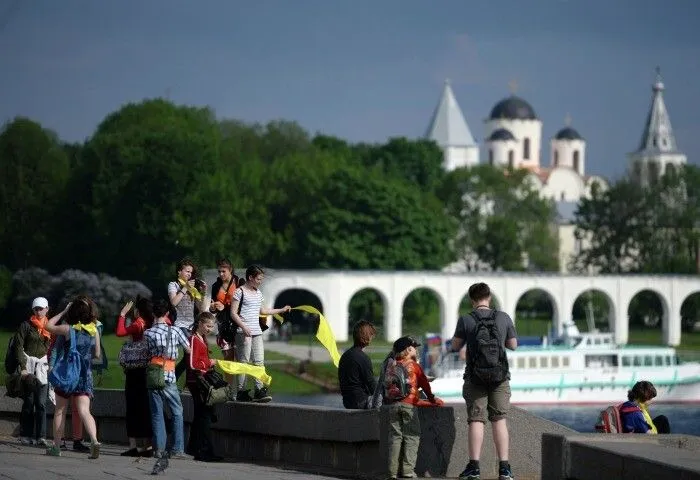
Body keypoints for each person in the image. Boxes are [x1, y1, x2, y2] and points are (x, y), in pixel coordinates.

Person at [450, 282, 517, 480]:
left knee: (476, 420)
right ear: (489, 297)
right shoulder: (503, 317)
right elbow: (513, 345)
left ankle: (474, 467)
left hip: (475, 377)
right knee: (499, 419)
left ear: (472, 300)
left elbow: (455, 346)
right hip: (500, 377)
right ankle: (504, 468)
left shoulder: (466, 319)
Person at [45, 296, 102, 459]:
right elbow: (97, 354)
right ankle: (95, 440)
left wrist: (63, 311)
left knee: (60, 411)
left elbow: (48, 326)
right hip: (85, 374)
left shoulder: (68, 329)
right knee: (84, 410)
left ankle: (57, 447)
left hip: (68, 374)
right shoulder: (94, 330)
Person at [380, 335, 443, 480]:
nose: (416, 350)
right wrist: (432, 399)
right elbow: (425, 385)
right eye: (414, 347)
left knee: (395, 438)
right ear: (408, 349)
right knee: (411, 437)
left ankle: (392, 472)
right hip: (409, 406)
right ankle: (407, 471)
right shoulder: (414, 366)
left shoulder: (392, 365)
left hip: (393, 405)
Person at [230, 265, 291, 403]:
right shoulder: (239, 292)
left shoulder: (258, 293)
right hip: (243, 332)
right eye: (258, 279)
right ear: (250, 277)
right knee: (244, 362)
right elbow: (233, 313)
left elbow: (263, 311)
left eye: (261, 279)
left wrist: (281, 309)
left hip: (256, 332)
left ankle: (259, 390)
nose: (260, 281)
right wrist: (244, 327)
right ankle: (241, 391)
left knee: (259, 361)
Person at [145, 298, 191, 475]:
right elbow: (188, 350)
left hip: (153, 374)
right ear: (166, 314)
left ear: (153, 314)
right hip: (170, 374)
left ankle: (159, 449)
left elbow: (147, 353)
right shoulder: (176, 330)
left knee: (157, 413)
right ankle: (177, 449)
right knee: (177, 412)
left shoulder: (148, 333)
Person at [115, 296, 154, 457]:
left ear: (138, 310)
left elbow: (120, 332)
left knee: (132, 408)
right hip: (147, 369)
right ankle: (148, 446)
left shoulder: (138, 324)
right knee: (146, 408)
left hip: (134, 370)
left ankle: (133, 446)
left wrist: (123, 314)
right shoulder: (152, 324)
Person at [14, 297, 52, 447]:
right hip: (29, 368)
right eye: (36, 309)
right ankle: (25, 434)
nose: (38, 311)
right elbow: (19, 347)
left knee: (41, 403)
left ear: (47, 309)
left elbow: (53, 348)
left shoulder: (50, 327)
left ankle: (41, 436)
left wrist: (52, 365)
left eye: (41, 308)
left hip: (43, 368)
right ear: (33, 310)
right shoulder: (26, 326)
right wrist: (23, 367)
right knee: (29, 402)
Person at [186, 312, 224, 462]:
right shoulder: (194, 339)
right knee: (205, 417)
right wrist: (210, 363)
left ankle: (195, 448)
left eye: (212, 326)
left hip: (201, 382)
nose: (210, 329)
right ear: (200, 323)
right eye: (208, 326)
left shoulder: (201, 338)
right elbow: (192, 364)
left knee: (200, 416)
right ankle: (205, 451)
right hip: (197, 383)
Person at [167, 258, 209, 380]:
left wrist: (203, 292)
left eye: (191, 272)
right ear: (179, 272)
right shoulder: (173, 285)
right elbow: (173, 302)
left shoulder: (192, 289)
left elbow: (201, 309)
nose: (189, 274)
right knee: (190, 353)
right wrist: (185, 288)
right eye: (187, 271)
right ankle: (183, 380)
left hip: (191, 325)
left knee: (190, 356)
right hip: (179, 324)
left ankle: (175, 378)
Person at [210, 258, 238, 381]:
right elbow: (214, 307)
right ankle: (229, 386)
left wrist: (225, 306)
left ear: (230, 270)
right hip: (223, 325)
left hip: (237, 323)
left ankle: (240, 388)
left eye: (223, 271)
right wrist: (212, 308)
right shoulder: (216, 286)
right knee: (228, 357)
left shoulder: (239, 282)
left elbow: (242, 304)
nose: (221, 274)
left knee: (241, 358)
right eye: (219, 271)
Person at [338, 320, 377, 409]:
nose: (372, 337)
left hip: (347, 401)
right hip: (360, 401)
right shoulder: (363, 358)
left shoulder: (345, 355)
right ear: (365, 336)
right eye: (371, 335)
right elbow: (371, 384)